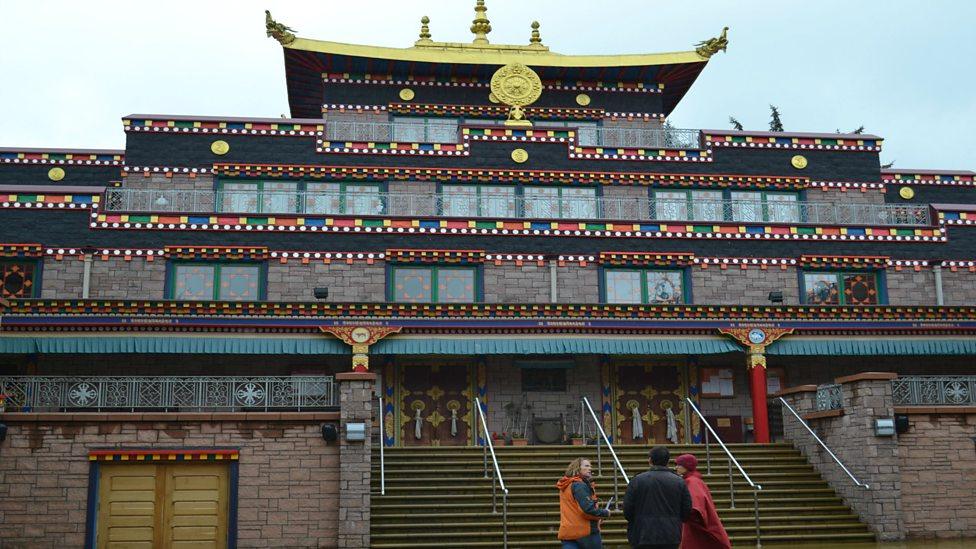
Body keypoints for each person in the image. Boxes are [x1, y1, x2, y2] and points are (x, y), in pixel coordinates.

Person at [623, 446, 692, 549]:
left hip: (642, 533)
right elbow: (686, 509)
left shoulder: (637, 480)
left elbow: (628, 509)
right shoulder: (679, 482)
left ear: (650, 460)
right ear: (668, 461)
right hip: (671, 534)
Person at [675, 454, 731, 549]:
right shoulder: (696, 480)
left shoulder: (691, 482)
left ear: (686, 466)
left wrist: (683, 515)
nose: (676, 467)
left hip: (695, 528)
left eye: (679, 465)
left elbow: (695, 507)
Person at [557, 457, 611, 548]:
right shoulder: (579, 485)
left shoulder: (566, 485)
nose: (590, 468)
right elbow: (587, 509)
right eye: (586, 466)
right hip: (585, 532)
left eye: (590, 466)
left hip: (568, 532)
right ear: (577, 468)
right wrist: (605, 513)